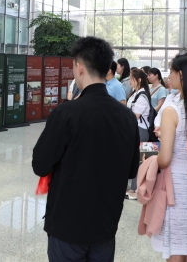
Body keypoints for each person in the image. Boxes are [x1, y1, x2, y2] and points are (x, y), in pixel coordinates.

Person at [32, 37, 139, 262]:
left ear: (80, 68)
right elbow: (131, 170)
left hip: (67, 224)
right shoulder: (127, 117)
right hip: (105, 224)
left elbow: (40, 164)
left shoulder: (66, 113)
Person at [150, 53, 187, 261]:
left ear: (180, 74)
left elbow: (165, 158)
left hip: (175, 186)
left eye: (171, 72)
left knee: (175, 245)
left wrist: (151, 162)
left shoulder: (171, 110)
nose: (169, 77)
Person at [126, 68, 153, 200]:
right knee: (135, 159)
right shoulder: (136, 93)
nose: (130, 81)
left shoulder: (141, 96)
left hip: (140, 131)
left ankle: (136, 189)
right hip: (135, 130)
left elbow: (134, 116)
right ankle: (133, 188)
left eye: (132, 79)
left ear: (139, 80)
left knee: (139, 160)